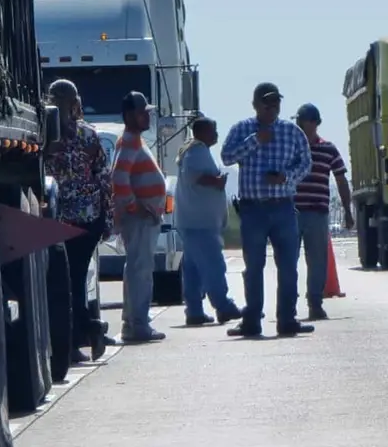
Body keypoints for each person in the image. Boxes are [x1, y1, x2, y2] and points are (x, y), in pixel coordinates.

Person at [220, 82, 313, 338]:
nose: (272, 108)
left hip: (283, 207)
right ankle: (252, 320)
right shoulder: (242, 129)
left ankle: (287, 319)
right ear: (255, 105)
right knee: (254, 267)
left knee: (288, 267)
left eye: (276, 103)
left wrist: (285, 177)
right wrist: (254, 141)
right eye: (266, 103)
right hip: (253, 210)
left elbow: (306, 163)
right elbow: (226, 157)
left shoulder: (292, 131)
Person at [43, 79, 114, 363]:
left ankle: (78, 337)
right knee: (73, 280)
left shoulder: (47, 135)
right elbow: (104, 179)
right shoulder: (89, 134)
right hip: (88, 219)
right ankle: (88, 329)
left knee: (67, 282)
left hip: (61, 218)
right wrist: (107, 220)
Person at [174, 116, 243, 326]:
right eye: (213, 130)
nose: (216, 135)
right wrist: (217, 181)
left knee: (193, 269)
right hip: (201, 222)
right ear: (203, 132)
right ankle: (223, 305)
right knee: (213, 265)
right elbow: (195, 176)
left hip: (192, 220)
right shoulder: (197, 151)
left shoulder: (190, 150)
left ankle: (194, 310)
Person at [112, 91, 167, 342]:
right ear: (130, 115)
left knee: (136, 269)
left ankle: (133, 324)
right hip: (140, 220)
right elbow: (119, 178)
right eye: (143, 112)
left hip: (143, 218)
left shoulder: (132, 140)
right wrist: (135, 207)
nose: (147, 116)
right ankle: (139, 325)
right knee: (140, 270)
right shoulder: (131, 141)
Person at [292, 103, 354, 321]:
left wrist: (348, 210)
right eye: (297, 121)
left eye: (303, 121)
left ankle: (315, 303)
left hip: (318, 212)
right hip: (292, 212)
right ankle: (288, 305)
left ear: (314, 123)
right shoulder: (290, 148)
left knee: (317, 260)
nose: (299, 125)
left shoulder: (328, 149)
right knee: (288, 260)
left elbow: (341, 179)